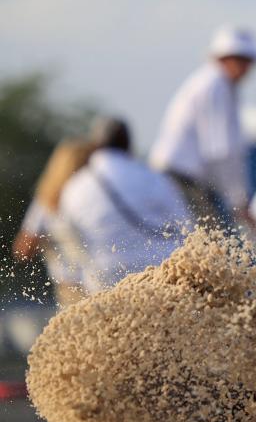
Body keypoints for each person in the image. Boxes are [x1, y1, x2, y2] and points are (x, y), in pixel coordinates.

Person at [59, 118, 190, 293]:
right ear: (129, 144)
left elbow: (70, 239)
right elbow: (186, 226)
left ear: (96, 145)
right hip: (159, 271)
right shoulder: (154, 177)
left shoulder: (75, 187)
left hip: (104, 276)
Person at [150, 25, 256, 227]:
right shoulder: (216, 86)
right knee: (217, 245)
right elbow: (220, 150)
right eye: (240, 60)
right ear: (222, 58)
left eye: (247, 61)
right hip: (181, 178)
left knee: (205, 243)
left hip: (182, 177)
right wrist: (238, 201)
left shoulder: (213, 84)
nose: (245, 68)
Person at [12, 138, 97, 307]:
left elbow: (22, 250)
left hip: (70, 284)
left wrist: (48, 241)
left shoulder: (46, 202)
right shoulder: (92, 198)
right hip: (99, 280)